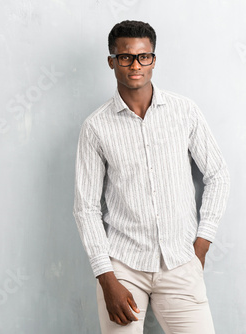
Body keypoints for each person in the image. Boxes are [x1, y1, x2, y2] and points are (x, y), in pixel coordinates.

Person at [73, 20, 230, 334]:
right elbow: (86, 208)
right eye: (125, 57)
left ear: (154, 60)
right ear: (112, 62)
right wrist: (106, 278)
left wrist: (201, 245)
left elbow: (217, 174)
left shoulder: (184, 111)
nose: (135, 65)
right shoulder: (96, 127)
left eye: (143, 56)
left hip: (181, 261)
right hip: (123, 267)